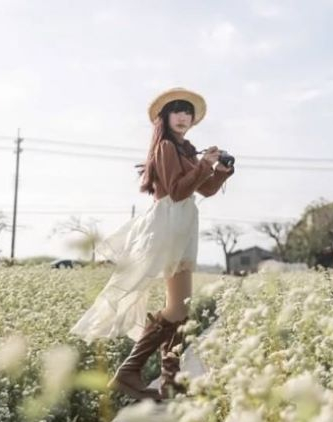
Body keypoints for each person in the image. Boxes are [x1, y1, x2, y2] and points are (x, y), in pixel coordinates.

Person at [68, 87, 234, 400]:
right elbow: (177, 191)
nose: (184, 117)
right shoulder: (165, 148)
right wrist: (205, 165)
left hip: (182, 224)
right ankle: (130, 372)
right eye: (177, 111)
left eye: (188, 112)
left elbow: (206, 190)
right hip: (168, 224)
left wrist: (221, 171)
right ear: (165, 117)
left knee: (181, 308)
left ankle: (170, 379)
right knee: (177, 308)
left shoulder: (186, 150)